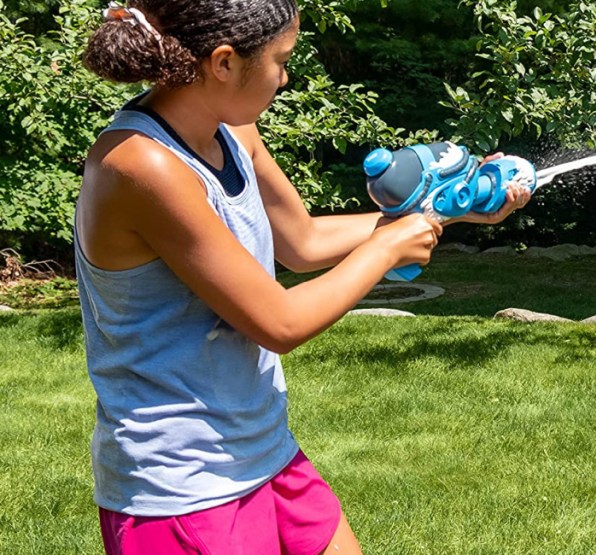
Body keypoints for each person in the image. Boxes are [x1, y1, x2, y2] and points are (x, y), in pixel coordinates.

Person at [76, 2, 530, 553]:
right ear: (223, 62)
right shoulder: (141, 165)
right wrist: (387, 248)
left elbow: (302, 242)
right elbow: (279, 320)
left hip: (261, 446)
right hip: (182, 484)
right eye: (281, 60)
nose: (286, 78)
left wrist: (444, 212)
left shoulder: (234, 133)